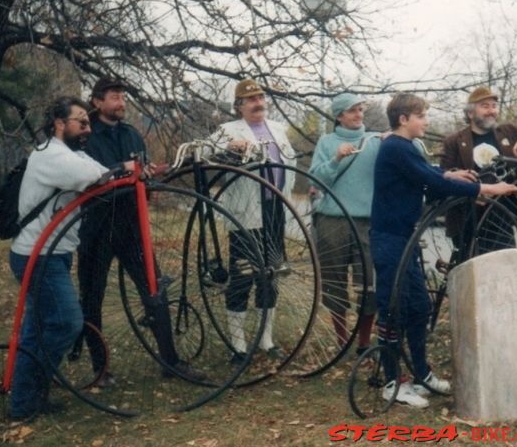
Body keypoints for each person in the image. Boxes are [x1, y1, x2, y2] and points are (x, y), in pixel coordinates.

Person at [371, 93, 517, 408]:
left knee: (419, 307)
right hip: (390, 240)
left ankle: (421, 374)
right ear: (403, 119)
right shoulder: (395, 147)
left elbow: (428, 174)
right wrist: (486, 188)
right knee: (393, 308)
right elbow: (427, 179)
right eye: (422, 116)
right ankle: (392, 382)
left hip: (406, 239)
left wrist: (449, 175)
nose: (426, 121)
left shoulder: (405, 148)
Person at [78, 76, 202, 384]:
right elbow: (92, 178)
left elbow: (142, 178)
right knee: (91, 297)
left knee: (154, 291)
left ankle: (170, 362)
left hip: (132, 228)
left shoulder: (132, 134)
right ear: (97, 102)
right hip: (97, 227)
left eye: (122, 97)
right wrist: (126, 170)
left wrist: (149, 177)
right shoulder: (87, 137)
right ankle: (100, 369)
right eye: (114, 97)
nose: (121, 103)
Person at [9, 96, 109, 419]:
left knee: (38, 329)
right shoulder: (51, 155)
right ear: (60, 124)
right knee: (68, 322)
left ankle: (27, 400)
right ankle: (31, 391)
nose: (87, 128)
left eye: (88, 122)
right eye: (81, 121)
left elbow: (96, 169)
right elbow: (95, 176)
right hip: (39, 257)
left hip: (53, 254)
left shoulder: (67, 153)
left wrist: (114, 171)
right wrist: (120, 170)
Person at [208, 78, 296, 363]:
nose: (258, 103)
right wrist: (231, 146)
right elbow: (207, 153)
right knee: (243, 276)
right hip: (247, 214)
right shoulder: (226, 130)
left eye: (260, 98)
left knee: (271, 275)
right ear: (239, 106)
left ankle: (265, 338)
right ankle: (238, 344)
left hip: (275, 209)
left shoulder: (279, 129)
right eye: (251, 100)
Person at [309, 93, 379, 355]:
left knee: (369, 285)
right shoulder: (327, 143)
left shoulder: (375, 141)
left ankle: (363, 343)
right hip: (332, 222)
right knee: (334, 283)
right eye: (352, 111)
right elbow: (315, 180)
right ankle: (342, 341)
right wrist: (336, 159)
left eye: (360, 110)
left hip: (367, 222)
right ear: (339, 116)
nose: (358, 115)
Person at [440, 86, 517, 252]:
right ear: (470, 113)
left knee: (504, 266)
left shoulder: (507, 132)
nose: (491, 111)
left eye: (494, 106)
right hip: (468, 216)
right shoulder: (454, 141)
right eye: (485, 106)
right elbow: (444, 177)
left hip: (501, 215)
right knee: (469, 269)